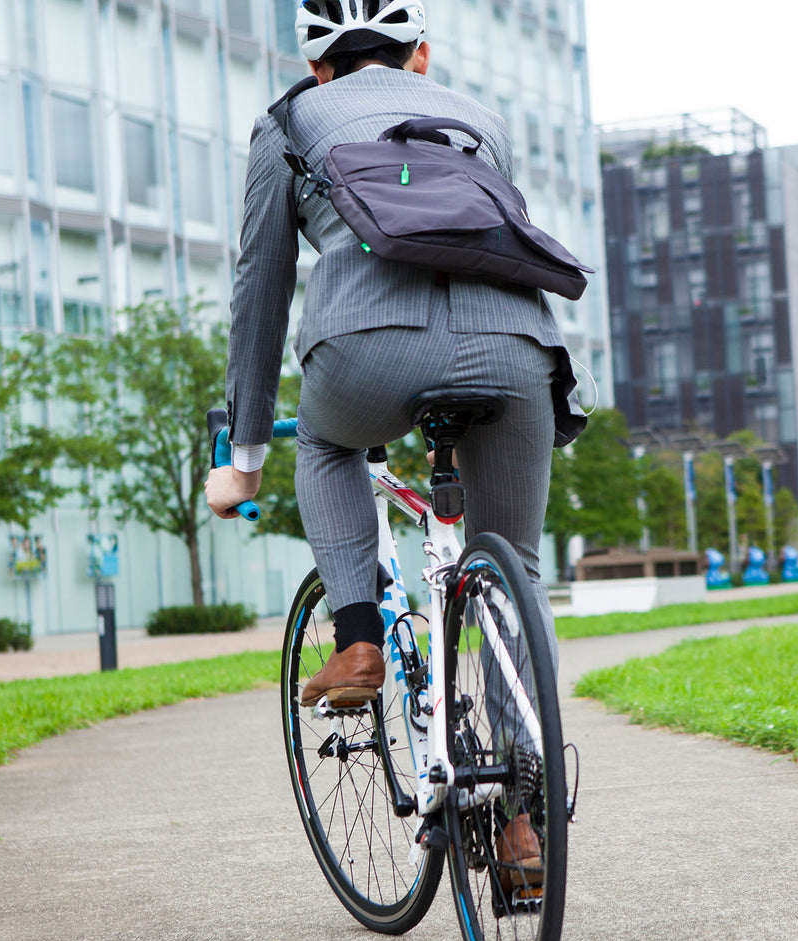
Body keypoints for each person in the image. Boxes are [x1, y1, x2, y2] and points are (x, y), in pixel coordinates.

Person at [205, 0, 575, 890]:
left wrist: (241, 454)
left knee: (328, 449)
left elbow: (260, 290)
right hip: (516, 352)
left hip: (366, 353)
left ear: (320, 66)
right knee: (512, 572)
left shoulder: (289, 119)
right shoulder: (479, 120)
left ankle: (360, 637)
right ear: (421, 57)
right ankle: (522, 826)